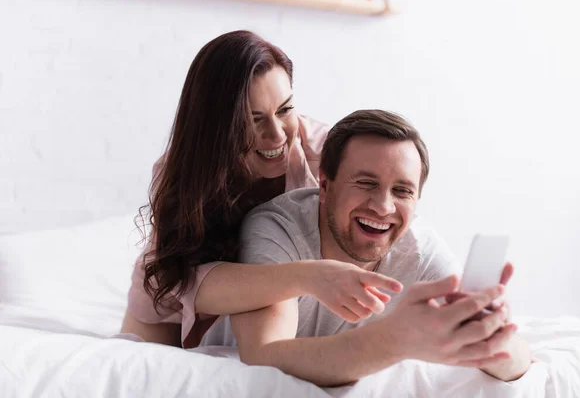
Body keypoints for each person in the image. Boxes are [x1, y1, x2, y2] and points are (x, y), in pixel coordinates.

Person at [200, 109, 532, 385]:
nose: (383, 207)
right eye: (366, 183)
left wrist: (493, 333)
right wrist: (395, 340)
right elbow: (265, 357)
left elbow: (518, 362)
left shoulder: (420, 249)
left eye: (402, 191)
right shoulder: (277, 229)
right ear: (326, 186)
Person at [120, 31, 402, 348]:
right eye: (253, 120)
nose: (277, 134)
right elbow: (186, 283)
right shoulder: (183, 172)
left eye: (285, 109)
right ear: (217, 126)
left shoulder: (327, 156)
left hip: (281, 299)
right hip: (171, 296)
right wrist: (309, 276)